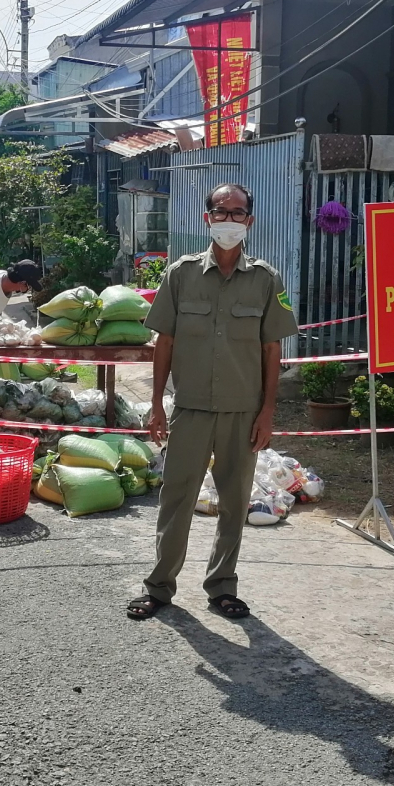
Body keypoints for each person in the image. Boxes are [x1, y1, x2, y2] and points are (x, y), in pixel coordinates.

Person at [127, 183, 298, 622]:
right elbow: (164, 341)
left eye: (237, 212)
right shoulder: (179, 274)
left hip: (243, 411)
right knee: (176, 499)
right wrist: (158, 404)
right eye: (221, 212)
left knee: (234, 500)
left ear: (250, 221)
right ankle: (159, 588)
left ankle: (222, 586)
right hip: (191, 408)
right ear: (207, 219)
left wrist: (267, 412)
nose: (229, 219)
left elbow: (271, 350)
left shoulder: (266, 279)